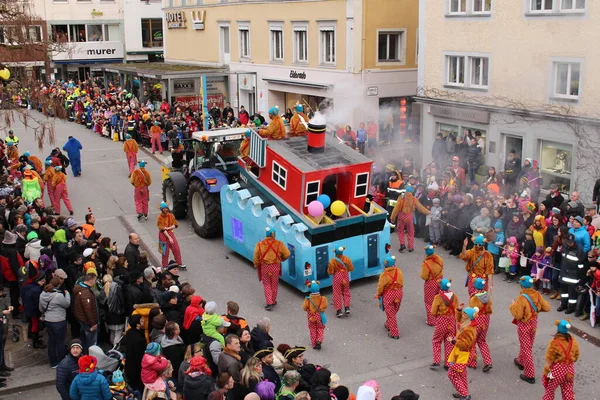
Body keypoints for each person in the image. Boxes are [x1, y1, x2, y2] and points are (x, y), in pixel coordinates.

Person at [510, 276, 551, 384]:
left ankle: (530, 374)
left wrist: (512, 305)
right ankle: (520, 361)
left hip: (524, 325)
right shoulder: (537, 294)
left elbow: (518, 315)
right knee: (528, 345)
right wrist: (536, 311)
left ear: (522, 285)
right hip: (533, 323)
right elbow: (547, 307)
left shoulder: (521, 298)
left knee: (526, 348)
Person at [253, 227, 291, 311]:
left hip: (265, 267)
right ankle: (273, 301)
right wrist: (281, 259)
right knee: (274, 285)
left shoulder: (259, 244)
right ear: (274, 234)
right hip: (275, 267)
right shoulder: (279, 244)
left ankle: (269, 302)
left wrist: (256, 264)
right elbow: (287, 254)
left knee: (266, 285)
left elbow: (256, 257)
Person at [542, 320, 579, 400]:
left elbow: (550, 359)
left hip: (557, 371)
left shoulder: (554, 342)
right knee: (568, 391)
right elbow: (576, 356)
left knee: (550, 391)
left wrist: (546, 371)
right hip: (569, 369)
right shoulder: (573, 341)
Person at [447, 307, 478, 400]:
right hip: (462, 354)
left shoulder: (469, 329)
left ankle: (464, 394)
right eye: (463, 313)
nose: (463, 316)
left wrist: (453, 341)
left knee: (452, 374)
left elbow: (465, 345)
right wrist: (459, 311)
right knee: (462, 374)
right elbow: (459, 320)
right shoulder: (468, 324)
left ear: (469, 317)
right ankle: (463, 391)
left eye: (465, 314)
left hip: (462, 355)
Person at [39, 276, 71, 367]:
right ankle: (61, 362)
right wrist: (67, 295)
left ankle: (53, 362)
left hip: (48, 321)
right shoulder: (58, 296)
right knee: (60, 342)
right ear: (59, 285)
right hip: (59, 321)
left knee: (52, 341)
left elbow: (41, 308)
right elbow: (67, 304)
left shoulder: (42, 294)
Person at [390, 186, 430, 252]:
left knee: (400, 231)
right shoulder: (414, 199)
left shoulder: (401, 198)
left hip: (401, 216)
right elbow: (420, 207)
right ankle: (410, 247)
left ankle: (402, 244)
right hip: (409, 216)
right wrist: (428, 212)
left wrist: (393, 217)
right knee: (411, 232)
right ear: (412, 191)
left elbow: (396, 209)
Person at [429, 279, 458, 370]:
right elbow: (457, 309)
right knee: (449, 341)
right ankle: (448, 363)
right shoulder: (454, 295)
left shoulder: (438, 297)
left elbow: (433, 312)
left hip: (442, 320)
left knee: (437, 340)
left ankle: (436, 361)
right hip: (451, 320)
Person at [467, 278, 493, 372]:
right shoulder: (487, 296)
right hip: (486, 320)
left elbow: (471, 311)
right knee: (482, 341)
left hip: (477, 320)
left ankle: (472, 362)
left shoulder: (474, 297)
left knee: (472, 341)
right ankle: (488, 361)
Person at [375, 255, 404, 339]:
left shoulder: (384, 275)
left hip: (389, 295)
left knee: (390, 313)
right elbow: (401, 283)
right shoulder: (399, 271)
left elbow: (381, 287)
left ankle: (394, 333)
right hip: (399, 293)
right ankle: (388, 324)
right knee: (394, 310)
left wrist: (379, 294)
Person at [557, 233, 585, 314]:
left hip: (573, 275)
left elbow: (581, 264)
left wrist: (579, 276)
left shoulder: (579, 249)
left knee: (572, 294)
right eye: (569, 242)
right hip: (564, 273)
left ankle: (571, 307)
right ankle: (563, 304)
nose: (570, 243)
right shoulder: (565, 246)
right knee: (564, 292)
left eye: (571, 242)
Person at [72, 273, 99, 352]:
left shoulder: (79, 288)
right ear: (91, 281)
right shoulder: (85, 293)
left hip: (82, 319)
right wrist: (93, 323)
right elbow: (88, 310)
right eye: (95, 280)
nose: (95, 282)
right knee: (91, 341)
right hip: (88, 322)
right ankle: (91, 356)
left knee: (84, 338)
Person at [420, 245, 444, 326]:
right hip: (440, 281)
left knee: (429, 301)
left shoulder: (426, 264)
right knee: (438, 299)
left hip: (431, 283)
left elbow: (424, 276)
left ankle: (431, 320)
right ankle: (439, 317)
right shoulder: (439, 259)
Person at [327, 246, 354, 317]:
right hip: (345, 276)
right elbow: (351, 268)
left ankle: (339, 311)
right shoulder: (347, 259)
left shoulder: (332, 261)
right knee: (346, 291)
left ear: (335, 252)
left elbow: (330, 271)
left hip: (337, 277)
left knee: (337, 293)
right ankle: (347, 307)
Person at [302, 281, 327, 350]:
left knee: (312, 329)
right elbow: (325, 306)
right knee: (320, 328)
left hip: (311, 316)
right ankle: (319, 340)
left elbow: (304, 307)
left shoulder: (308, 299)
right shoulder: (322, 299)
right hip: (319, 316)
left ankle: (314, 344)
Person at [124, 315, 147, 391]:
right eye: (141, 321)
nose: (143, 321)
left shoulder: (129, 332)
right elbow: (139, 356)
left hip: (129, 364)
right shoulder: (139, 339)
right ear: (137, 324)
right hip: (136, 368)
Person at [157, 202, 183, 268]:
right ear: (162, 209)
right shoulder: (159, 218)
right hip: (162, 235)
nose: (165, 209)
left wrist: (168, 228)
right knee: (165, 252)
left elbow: (175, 225)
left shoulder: (171, 215)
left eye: (166, 208)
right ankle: (165, 266)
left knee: (176, 249)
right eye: (164, 208)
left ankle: (179, 263)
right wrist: (169, 237)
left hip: (170, 232)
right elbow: (162, 229)